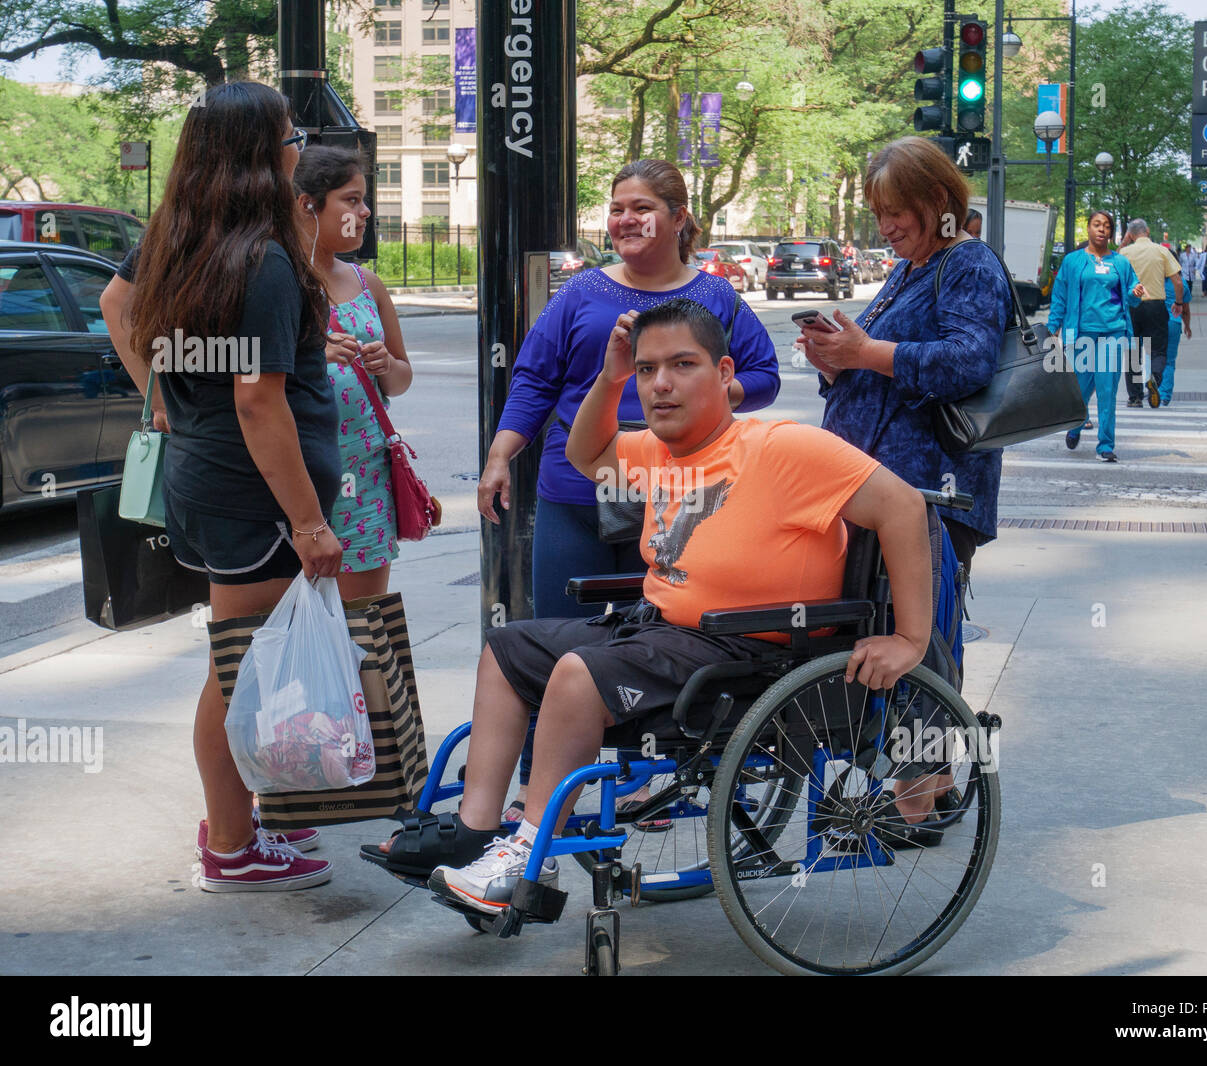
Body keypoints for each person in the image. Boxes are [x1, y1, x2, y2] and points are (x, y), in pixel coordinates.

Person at [367, 297, 934, 913]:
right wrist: (609, 377)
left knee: (579, 676)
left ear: (724, 375)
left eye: (682, 365)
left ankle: (525, 855)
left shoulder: (783, 448)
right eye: (646, 369)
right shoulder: (660, 449)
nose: (660, 384)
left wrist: (909, 639)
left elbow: (902, 506)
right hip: (667, 633)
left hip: (753, 650)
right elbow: (587, 455)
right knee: (509, 648)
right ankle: (478, 831)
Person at [476, 159, 779, 819]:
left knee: (652, 646)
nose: (625, 220)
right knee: (554, 642)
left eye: (641, 207)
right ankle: (540, 792)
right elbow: (532, 379)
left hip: (676, 500)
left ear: (678, 218)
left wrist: (709, 388)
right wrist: (502, 455)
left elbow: (763, 374)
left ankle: (650, 782)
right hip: (576, 490)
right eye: (617, 208)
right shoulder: (581, 292)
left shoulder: (716, 297)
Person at [97, 82, 337, 891]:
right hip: (252, 496)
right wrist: (308, 524)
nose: (299, 147)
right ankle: (232, 847)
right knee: (238, 669)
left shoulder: (178, 237)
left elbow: (115, 301)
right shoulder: (261, 259)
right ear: (260, 153)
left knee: (238, 662)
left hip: (209, 481)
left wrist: (163, 397)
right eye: (291, 134)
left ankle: (241, 828)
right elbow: (257, 397)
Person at [794, 136, 1011, 576]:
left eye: (895, 211)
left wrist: (866, 351)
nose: (885, 226)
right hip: (877, 488)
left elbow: (969, 361)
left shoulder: (969, 262)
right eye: (878, 214)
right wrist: (837, 365)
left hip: (925, 495)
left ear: (935, 199)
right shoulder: (910, 267)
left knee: (913, 634)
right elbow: (879, 367)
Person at [293, 145, 413, 599]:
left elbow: (400, 381)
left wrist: (386, 366)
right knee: (293, 630)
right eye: (351, 199)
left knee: (365, 626)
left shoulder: (368, 284)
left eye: (365, 201)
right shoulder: (276, 281)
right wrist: (312, 355)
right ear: (309, 204)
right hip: (299, 480)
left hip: (365, 479)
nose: (364, 213)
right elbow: (250, 385)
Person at [1047, 210, 1145, 462]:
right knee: (1080, 389)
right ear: (1088, 229)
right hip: (1080, 335)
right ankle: (1076, 426)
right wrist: (1052, 327)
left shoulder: (1121, 263)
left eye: (1106, 226)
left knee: (1107, 390)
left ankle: (1106, 444)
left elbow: (1133, 298)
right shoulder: (1072, 261)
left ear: (1111, 232)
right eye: (1096, 224)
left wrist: (1136, 292)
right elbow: (1059, 296)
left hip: (1113, 333)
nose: (1101, 229)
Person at [1118, 218, 1183, 408]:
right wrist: (1178, 303)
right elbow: (1178, 282)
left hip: (1132, 306)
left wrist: (1124, 242)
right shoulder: (1161, 251)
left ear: (1130, 234)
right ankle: (1154, 376)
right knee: (1159, 349)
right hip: (1156, 304)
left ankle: (1135, 397)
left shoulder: (1124, 253)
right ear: (1147, 231)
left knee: (1132, 351)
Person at [1158, 271, 1192, 408]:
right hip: (1173, 323)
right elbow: (1185, 309)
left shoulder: (1154, 280)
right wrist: (1187, 326)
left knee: (1151, 356)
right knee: (1169, 361)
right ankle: (1164, 395)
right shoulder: (1181, 282)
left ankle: (1151, 387)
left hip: (1153, 322)